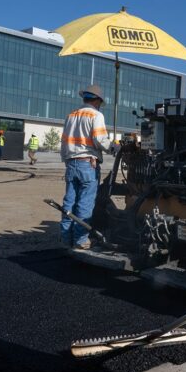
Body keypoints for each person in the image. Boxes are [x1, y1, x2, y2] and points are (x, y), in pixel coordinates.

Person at [60, 85, 111, 250]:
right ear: (97, 100)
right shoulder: (96, 115)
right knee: (85, 203)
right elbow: (100, 140)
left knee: (69, 201)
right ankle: (81, 240)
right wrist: (114, 148)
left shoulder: (71, 115)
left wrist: (67, 160)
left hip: (71, 163)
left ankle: (66, 237)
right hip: (88, 164)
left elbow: (64, 141)